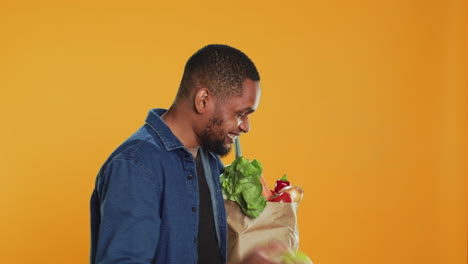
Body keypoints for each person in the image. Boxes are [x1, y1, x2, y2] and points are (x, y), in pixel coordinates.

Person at [90, 44, 286, 264]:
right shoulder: (136, 166)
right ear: (203, 100)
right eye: (240, 114)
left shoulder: (209, 161)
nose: (246, 127)